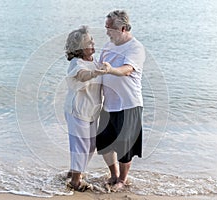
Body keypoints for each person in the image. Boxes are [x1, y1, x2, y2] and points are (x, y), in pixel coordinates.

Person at [96, 10, 146, 191]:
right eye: (106, 27)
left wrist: (111, 70)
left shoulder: (136, 48)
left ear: (123, 28)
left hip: (129, 104)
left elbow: (127, 70)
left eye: (110, 28)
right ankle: (113, 175)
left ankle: (122, 180)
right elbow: (99, 70)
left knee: (126, 147)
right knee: (103, 143)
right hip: (108, 105)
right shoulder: (107, 46)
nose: (107, 32)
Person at [64, 25, 106, 192]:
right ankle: (75, 181)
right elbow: (82, 75)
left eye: (92, 39)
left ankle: (74, 171)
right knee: (81, 146)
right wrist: (96, 73)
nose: (93, 43)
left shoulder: (94, 62)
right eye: (89, 41)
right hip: (77, 110)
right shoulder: (77, 63)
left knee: (91, 146)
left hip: (91, 111)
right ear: (79, 47)